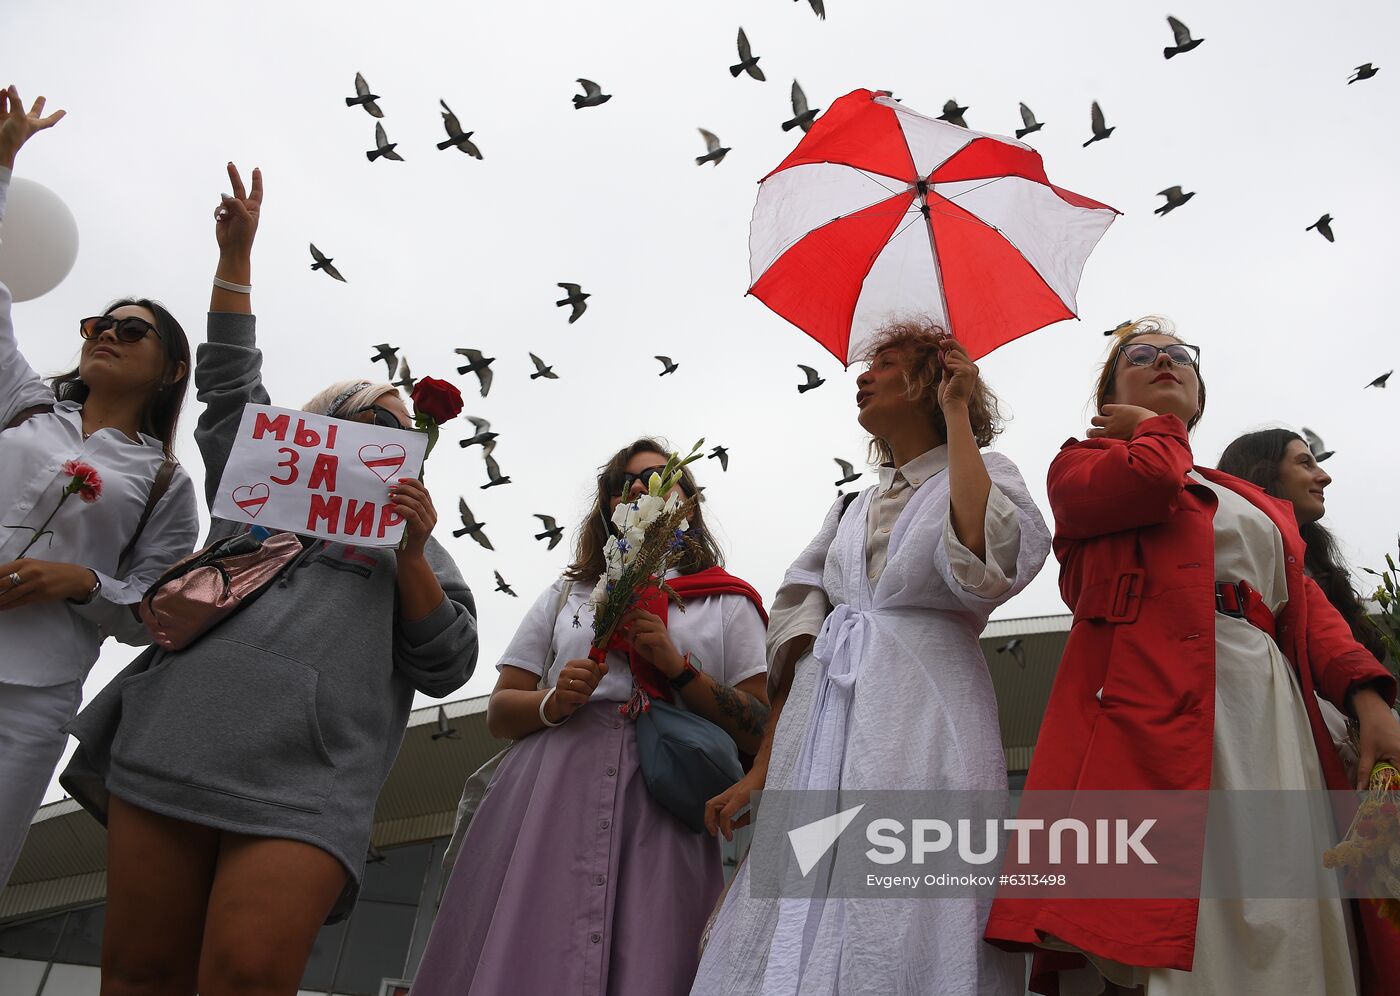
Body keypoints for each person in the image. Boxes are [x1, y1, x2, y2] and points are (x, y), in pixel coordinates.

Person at [59, 164, 479, 995]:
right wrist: (237, 256)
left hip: (310, 782)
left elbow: (449, 667)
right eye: (368, 422)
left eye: (402, 436)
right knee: (139, 973)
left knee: (249, 974)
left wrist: (409, 559)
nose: (386, 441)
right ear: (317, 427)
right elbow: (225, 381)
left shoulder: (418, 547)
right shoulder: (258, 481)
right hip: (178, 737)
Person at [984, 318, 1400, 995]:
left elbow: (1309, 614)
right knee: (1182, 905)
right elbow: (1149, 481)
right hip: (1154, 712)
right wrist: (1156, 427)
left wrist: (1369, 699)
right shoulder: (1083, 465)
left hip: (1266, 709)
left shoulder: (1256, 501)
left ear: (1200, 393)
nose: (1164, 361)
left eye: (1180, 356)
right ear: (1108, 395)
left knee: (1287, 889)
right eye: (1140, 357)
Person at [692, 320, 1051, 996]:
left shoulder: (985, 473)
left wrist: (956, 414)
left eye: (886, 363)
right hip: (823, 722)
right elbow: (799, 648)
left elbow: (987, 566)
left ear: (931, 379)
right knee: (804, 882)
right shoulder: (849, 509)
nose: (864, 374)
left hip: (925, 711)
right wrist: (763, 771)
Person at [411, 438, 771, 996]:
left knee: (653, 955)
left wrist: (676, 668)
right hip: (550, 791)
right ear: (609, 506)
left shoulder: (727, 603)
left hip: (665, 796)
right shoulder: (569, 591)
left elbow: (760, 726)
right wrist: (553, 702)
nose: (640, 487)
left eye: (658, 475)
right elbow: (502, 711)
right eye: (623, 483)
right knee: (529, 949)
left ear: (690, 501)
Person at [0, 85, 200, 893]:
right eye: (97, 325)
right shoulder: (21, 405)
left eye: (132, 330)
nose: (108, 335)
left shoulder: (163, 481)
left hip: (29, 697)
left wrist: (82, 582)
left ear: (172, 366)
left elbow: (158, 608)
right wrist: (4, 163)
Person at [1218, 428, 1388, 663]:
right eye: (1305, 464)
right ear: (1265, 473)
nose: (1325, 477)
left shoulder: (1315, 568)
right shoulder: (1227, 562)